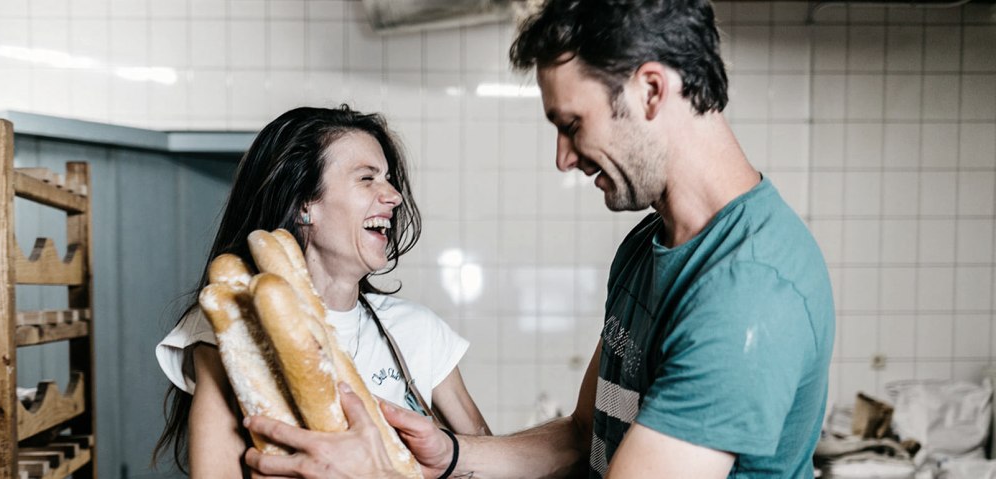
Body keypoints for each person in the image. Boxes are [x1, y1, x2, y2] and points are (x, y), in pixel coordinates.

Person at [241, 0, 836, 477]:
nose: (563, 159)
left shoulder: (747, 289)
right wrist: (449, 456)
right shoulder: (648, 246)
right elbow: (584, 435)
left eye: (572, 126)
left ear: (652, 91)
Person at [152, 106, 491, 477]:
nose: (393, 195)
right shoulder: (237, 321)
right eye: (367, 178)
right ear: (303, 206)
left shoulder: (416, 330)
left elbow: (483, 462)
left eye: (389, 179)